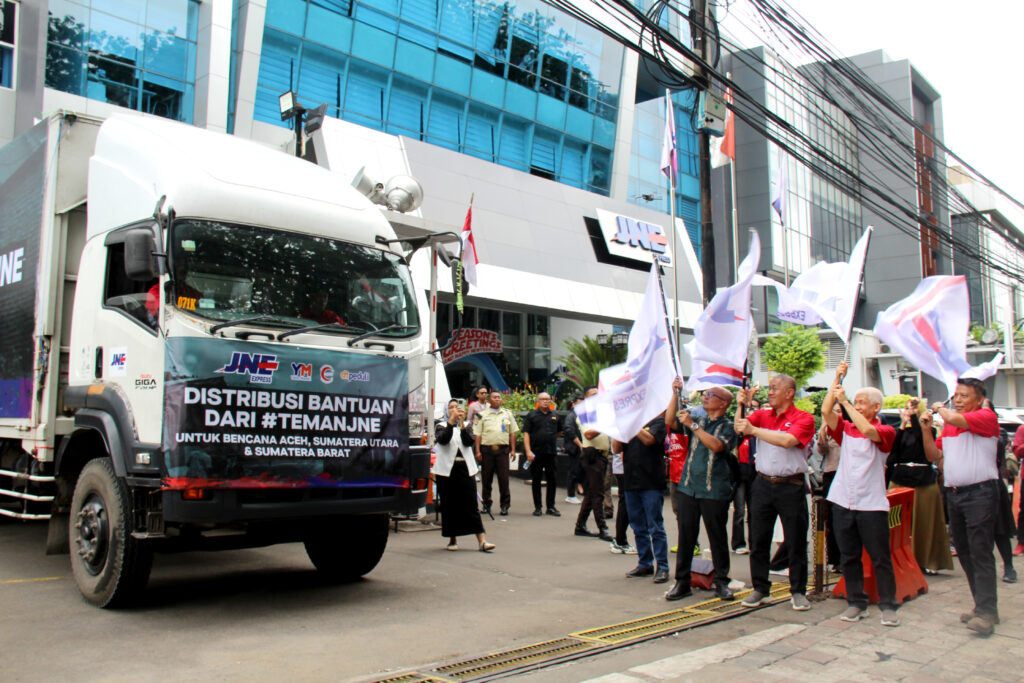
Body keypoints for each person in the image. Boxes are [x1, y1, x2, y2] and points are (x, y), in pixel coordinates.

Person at [921, 377, 1001, 636]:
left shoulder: (985, 416)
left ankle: (987, 612)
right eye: (956, 395)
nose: (957, 400)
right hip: (955, 495)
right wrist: (925, 429)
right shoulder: (951, 427)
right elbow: (934, 455)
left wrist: (938, 409)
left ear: (979, 400)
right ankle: (983, 606)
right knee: (965, 553)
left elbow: (954, 418)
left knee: (980, 552)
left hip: (980, 494)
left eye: (964, 396)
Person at [821, 365, 900, 627]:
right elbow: (825, 411)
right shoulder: (844, 429)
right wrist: (836, 379)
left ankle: (889, 604)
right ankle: (857, 602)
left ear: (877, 408)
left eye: (862, 403)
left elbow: (868, 431)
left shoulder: (886, 432)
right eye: (855, 402)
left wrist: (844, 402)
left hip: (871, 503)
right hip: (843, 500)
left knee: (880, 557)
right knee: (849, 556)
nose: (857, 406)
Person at [735, 374, 816, 611]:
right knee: (758, 538)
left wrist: (754, 430)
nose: (769, 392)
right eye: (769, 388)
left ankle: (798, 591)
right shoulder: (762, 415)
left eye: (774, 388)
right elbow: (740, 429)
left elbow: (788, 441)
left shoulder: (804, 418)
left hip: (791, 485)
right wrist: (741, 407)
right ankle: (761, 588)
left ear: (789, 393)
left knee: (795, 539)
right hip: (762, 483)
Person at [665, 379, 739, 601]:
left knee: (717, 537)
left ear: (723, 403)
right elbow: (670, 420)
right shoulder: (698, 418)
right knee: (686, 536)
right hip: (689, 486)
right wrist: (675, 394)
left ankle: (722, 581)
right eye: (705, 394)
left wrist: (693, 426)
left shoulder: (728, 427)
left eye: (711, 394)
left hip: (714, 489)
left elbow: (717, 446)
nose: (705, 397)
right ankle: (682, 582)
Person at [886, 399, 953, 575]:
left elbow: (920, 439)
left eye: (913, 409)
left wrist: (915, 419)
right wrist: (902, 424)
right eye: (907, 409)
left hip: (923, 479)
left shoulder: (928, 430)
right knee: (896, 523)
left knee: (925, 522)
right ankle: (895, 560)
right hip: (901, 477)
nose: (909, 412)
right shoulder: (898, 432)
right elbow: (892, 456)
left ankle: (925, 560)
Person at [434, 399, 495, 552]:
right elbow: (444, 440)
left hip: (465, 468)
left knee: (471, 504)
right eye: (451, 407)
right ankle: (452, 539)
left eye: (457, 407)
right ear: (447, 411)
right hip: (447, 471)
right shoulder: (441, 426)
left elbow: (469, 442)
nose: (454, 409)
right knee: (449, 504)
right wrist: (451, 421)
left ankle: (482, 540)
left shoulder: (467, 426)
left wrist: (461, 425)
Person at [615, 416, 670, 583]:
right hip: (631, 481)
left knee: (655, 525)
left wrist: (634, 425)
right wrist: (619, 429)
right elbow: (616, 448)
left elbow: (649, 440)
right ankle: (645, 563)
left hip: (651, 482)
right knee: (638, 526)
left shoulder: (658, 423)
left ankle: (662, 566)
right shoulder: (629, 424)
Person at [574, 386, 614, 542]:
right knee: (598, 493)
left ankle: (580, 525)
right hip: (592, 455)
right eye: (593, 395)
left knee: (592, 492)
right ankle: (602, 528)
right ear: (585, 398)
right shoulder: (584, 415)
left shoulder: (602, 414)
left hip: (602, 456)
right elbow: (589, 434)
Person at [474, 391, 518, 516]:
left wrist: (513, 449)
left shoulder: (507, 414)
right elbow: (477, 434)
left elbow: (512, 432)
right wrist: (477, 451)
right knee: (486, 479)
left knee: (504, 479)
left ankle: (505, 505)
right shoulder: (482, 415)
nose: (498, 399)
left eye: (499, 397)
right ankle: (486, 504)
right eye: (495, 397)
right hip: (487, 451)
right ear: (489, 400)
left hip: (502, 450)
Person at [523, 392, 561, 517]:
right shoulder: (532, 415)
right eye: (543, 399)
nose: (545, 401)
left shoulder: (555, 415)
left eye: (548, 399)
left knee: (552, 479)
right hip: (536, 452)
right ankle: (538, 507)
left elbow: (559, 432)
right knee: (536, 480)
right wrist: (528, 451)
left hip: (551, 452)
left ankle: (551, 506)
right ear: (538, 401)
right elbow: (526, 433)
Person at [731, 397, 760, 555]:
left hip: (755, 473)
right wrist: (740, 405)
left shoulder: (759, 434)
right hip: (740, 474)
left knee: (755, 511)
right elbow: (737, 426)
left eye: (755, 408)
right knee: (740, 510)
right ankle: (738, 543)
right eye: (749, 409)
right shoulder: (741, 434)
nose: (751, 411)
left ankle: (755, 543)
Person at [817, 403, 843, 571]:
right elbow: (822, 450)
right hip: (830, 474)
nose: (836, 415)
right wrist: (822, 432)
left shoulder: (848, 430)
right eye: (834, 411)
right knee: (831, 520)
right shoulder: (825, 431)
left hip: (846, 475)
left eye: (839, 411)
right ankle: (834, 559)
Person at [563, 394, 585, 504]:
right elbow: (569, 431)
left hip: (582, 448)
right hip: (574, 448)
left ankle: (579, 491)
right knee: (573, 471)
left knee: (580, 470)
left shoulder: (583, 416)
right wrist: (580, 444)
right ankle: (570, 495)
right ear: (573, 404)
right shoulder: (571, 416)